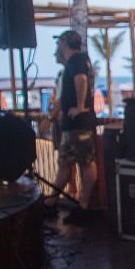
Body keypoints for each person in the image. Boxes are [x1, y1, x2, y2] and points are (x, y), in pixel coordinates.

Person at [45, 29, 98, 224]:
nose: (58, 47)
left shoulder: (76, 60)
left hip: (79, 123)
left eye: (59, 43)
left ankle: (83, 206)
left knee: (85, 162)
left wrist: (80, 106)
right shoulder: (77, 61)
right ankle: (51, 202)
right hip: (72, 124)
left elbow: (81, 79)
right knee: (66, 163)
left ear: (65, 43)